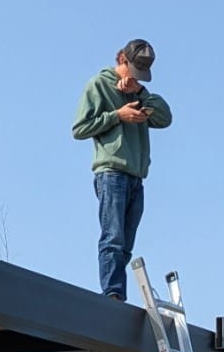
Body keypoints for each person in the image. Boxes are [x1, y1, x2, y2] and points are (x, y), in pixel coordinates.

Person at [72, 39, 172, 301]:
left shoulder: (139, 92)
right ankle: (113, 293)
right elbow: (79, 128)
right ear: (122, 60)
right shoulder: (99, 85)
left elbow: (165, 118)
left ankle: (117, 293)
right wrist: (118, 115)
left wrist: (141, 92)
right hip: (111, 172)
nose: (136, 77)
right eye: (134, 70)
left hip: (137, 177)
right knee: (113, 238)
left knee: (126, 244)